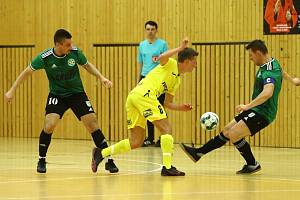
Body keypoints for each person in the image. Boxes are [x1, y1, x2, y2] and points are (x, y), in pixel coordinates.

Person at [4, 29, 118, 174]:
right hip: (57, 95)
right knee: (49, 125)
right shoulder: (44, 58)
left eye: (71, 44)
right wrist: (12, 90)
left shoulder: (75, 53)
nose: (71, 47)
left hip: (77, 94)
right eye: (67, 45)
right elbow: (26, 72)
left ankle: (109, 160)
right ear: (58, 45)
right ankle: (41, 159)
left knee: (92, 123)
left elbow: (87, 65)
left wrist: (102, 78)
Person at [91, 38, 198, 176]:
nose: (195, 65)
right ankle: (167, 166)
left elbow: (166, 103)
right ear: (187, 61)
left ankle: (101, 153)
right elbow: (161, 57)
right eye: (194, 62)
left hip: (134, 97)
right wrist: (179, 48)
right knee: (166, 129)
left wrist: (180, 107)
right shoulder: (170, 63)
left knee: (136, 141)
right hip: (144, 96)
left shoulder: (177, 80)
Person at [181, 39, 284, 174]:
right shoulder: (271, 64)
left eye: (251, 56)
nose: (250, 59)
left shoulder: (269, 70)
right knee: (226, 130)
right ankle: (198, 153)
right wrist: (292, 80)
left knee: (233, 134)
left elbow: (268, 92)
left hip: (264, 113)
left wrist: (248, 106)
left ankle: (252, 163)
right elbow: (281, 72)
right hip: (256, 109)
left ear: (258, 53)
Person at [137, 20, 169, 147]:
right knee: (148, 108)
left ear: (156, 30)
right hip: (145, 79)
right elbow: (140, 63)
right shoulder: (142, 45)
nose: (150, 32)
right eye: (148, 29)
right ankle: (149, 138)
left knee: (160, 107)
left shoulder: (162, 44)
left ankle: (163, 137)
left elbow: (166, 62)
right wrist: (138, 80)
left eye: (152, 29)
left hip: (158, 80)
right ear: (145, 30)